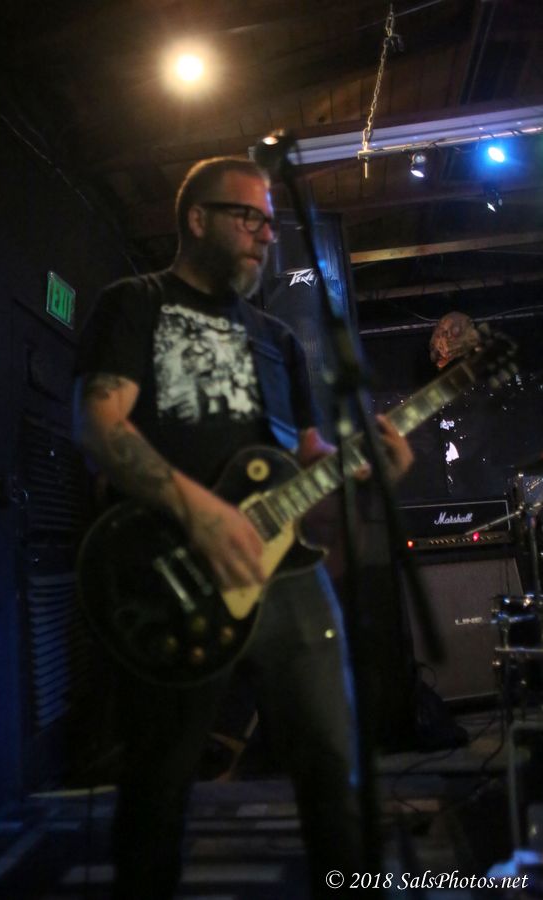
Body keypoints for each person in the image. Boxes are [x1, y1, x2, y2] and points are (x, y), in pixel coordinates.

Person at [73, 156, 414, 899]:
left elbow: (306, 459)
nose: (266, 234)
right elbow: (100, 423)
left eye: (270, 222)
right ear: (197, 219)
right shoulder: (136, 303)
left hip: (286, 575)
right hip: (172, 568)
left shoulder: (275, 339)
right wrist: (200, 511)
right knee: (159, 783)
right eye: (249, 217)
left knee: (335, 762)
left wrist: (367, 468)